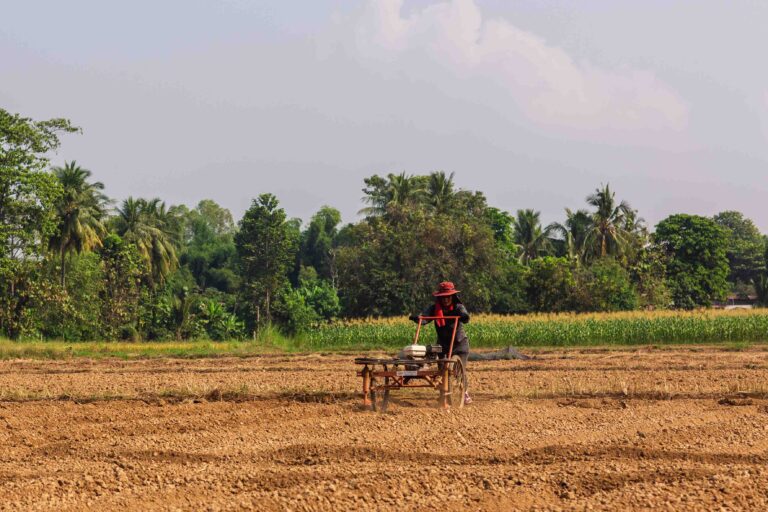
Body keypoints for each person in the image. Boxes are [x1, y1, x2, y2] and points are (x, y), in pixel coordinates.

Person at [409, 281, 472, 405]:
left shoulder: (458, 307)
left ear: (452, 296)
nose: (445, 300)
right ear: (440, 297)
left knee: (459, 370)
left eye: (448, 297)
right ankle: (444, 393)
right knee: (442, 370)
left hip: (459, 344)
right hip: (443, 344)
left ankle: (464, 392)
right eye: (443, 297)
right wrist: (418, 318)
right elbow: (425, 318)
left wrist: (464, 316)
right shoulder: (434, 308)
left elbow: (465, 316)